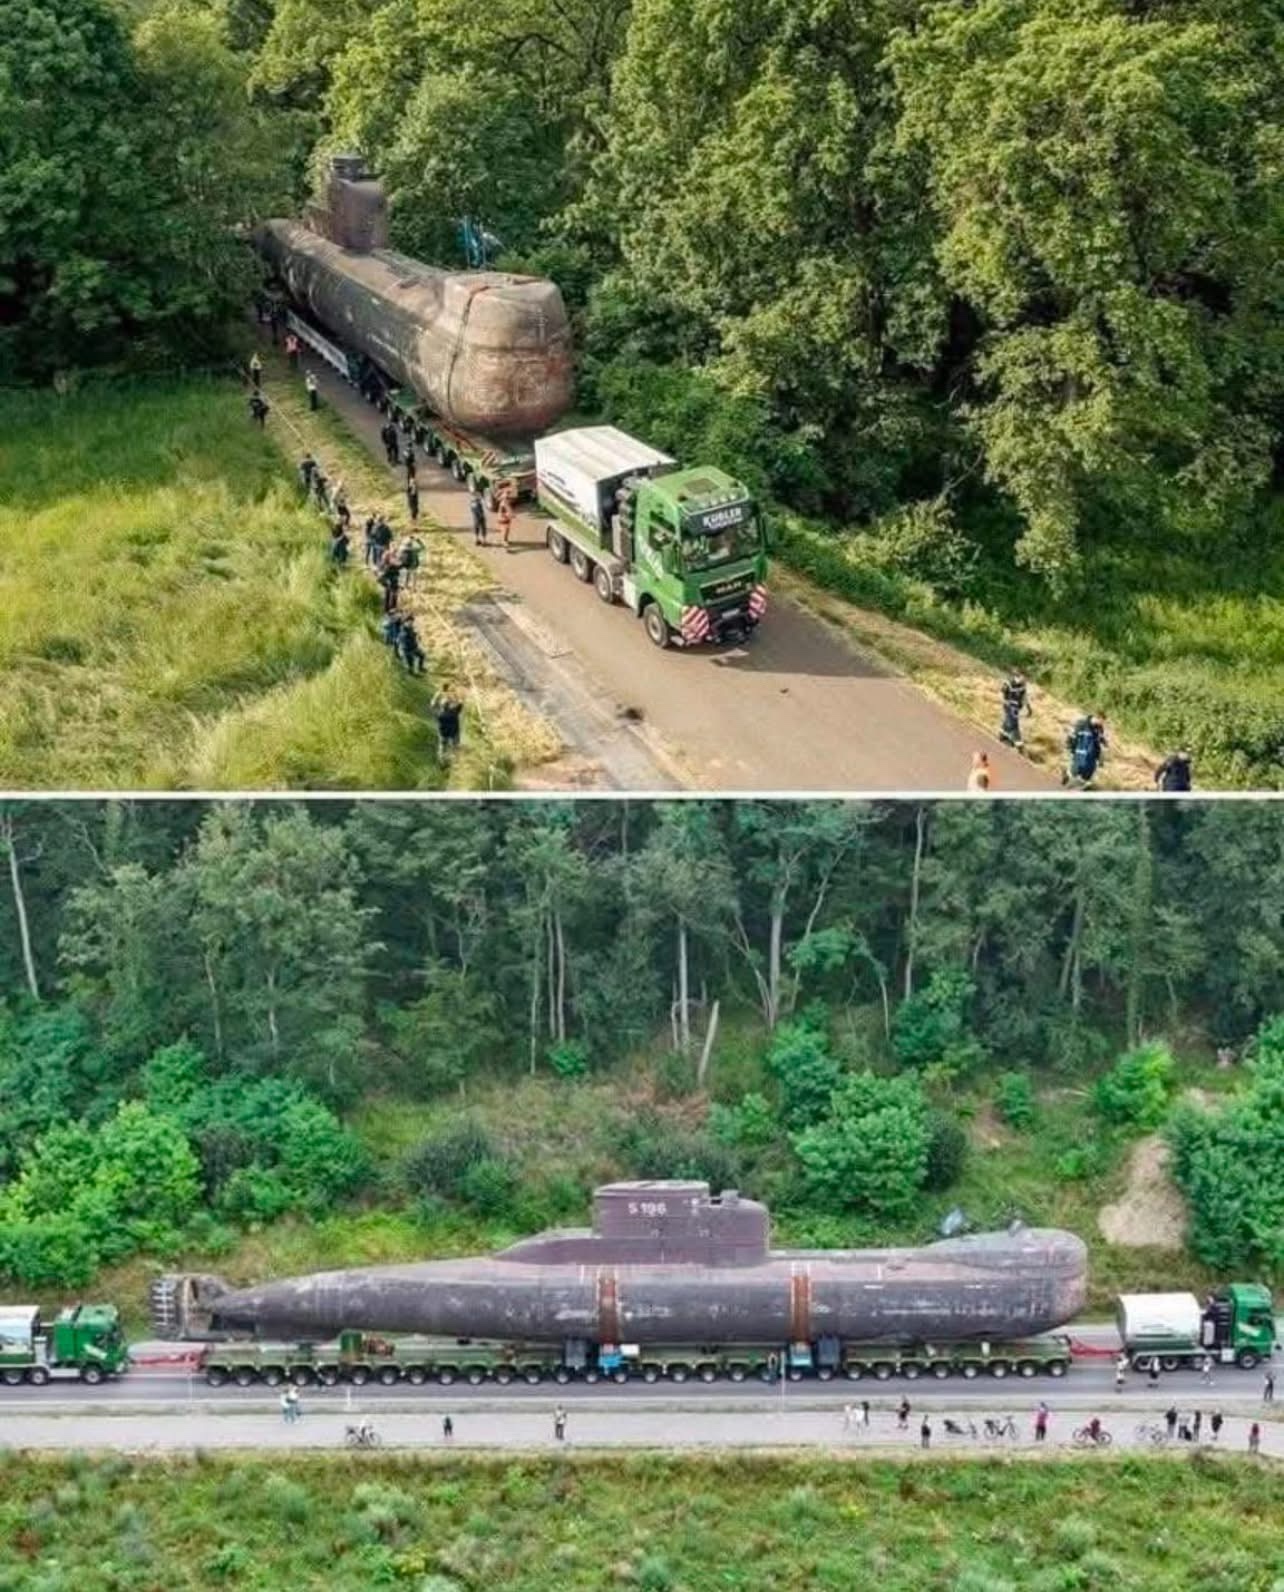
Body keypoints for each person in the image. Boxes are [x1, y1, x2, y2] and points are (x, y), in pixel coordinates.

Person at [1063, 714, 1107, 787]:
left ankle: (1082, 785)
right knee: (1077, 768)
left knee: (1089, 769)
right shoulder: (1082, 723)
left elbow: (1100, 739)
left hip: (1092, 753)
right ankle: (1067, 775)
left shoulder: (1099, 728)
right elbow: (1072, 734)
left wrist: (1104, 743)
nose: (1102, 724)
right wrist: (1069, 745)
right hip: (1079, 749)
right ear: (1097, 718)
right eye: (1101, 721)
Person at [999, 671, 1030, 749]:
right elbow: (1002, 694)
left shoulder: (1023, 685)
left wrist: (1028, 707)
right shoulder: (1009, 683)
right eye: (1025, 677)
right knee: (1013, 723)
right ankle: (1018, 742)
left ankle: (1003, 736)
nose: (1026, 680)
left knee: (1008, 721)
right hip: (1009, 705)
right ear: (1020, 676)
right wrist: (1006, 703)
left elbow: (1024, 697)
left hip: (1016, 707)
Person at [435, 691, 463, 758]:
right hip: (454, 733)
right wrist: (457, 696)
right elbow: (460, 703)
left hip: (443, 734)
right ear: (449, 706)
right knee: (455, 746)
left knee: (442, 747)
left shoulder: (439, 715)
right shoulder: (454, 712)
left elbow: (433, 705)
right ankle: (456, 760)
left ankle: (442, 760)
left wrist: (437, 695)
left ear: (442, 707)